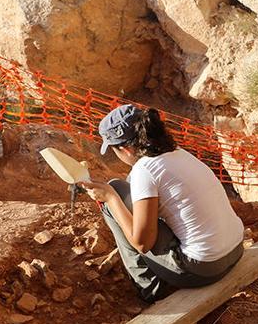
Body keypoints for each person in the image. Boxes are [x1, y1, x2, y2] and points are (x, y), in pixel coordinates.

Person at [80, 104, 244, 303]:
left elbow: (142, 243)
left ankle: (149, 290)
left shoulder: (144, 169)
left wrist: (110, 198)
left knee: (115, 193)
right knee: (121, 190)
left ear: (125, 149)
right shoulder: (178, 153)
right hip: (235, 251)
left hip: (202, 269)